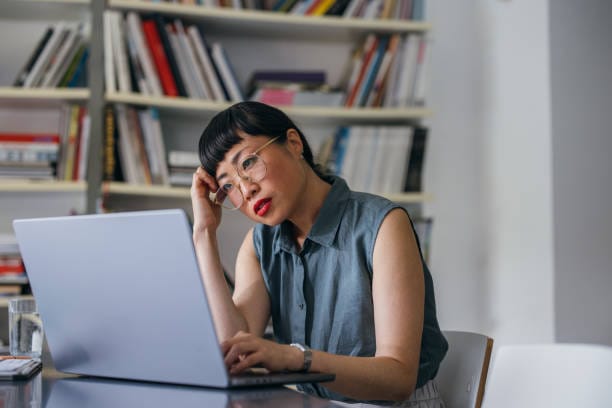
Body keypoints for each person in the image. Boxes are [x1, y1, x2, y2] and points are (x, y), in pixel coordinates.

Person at [191, 101, 448, 407]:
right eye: (228, 186)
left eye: (248, 163)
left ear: (294, 143)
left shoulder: (383, 225)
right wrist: (204, 235)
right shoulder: (259, 245)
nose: (246, 190)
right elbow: (235, 349)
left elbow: (397, 380)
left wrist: (295, 358)